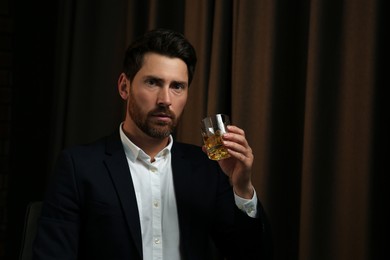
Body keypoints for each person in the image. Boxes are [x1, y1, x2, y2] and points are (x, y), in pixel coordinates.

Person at [33, 28, 272, 260]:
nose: (165, 100)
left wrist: (242, 188)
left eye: (177, 86)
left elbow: (251, 254)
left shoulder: (209, 166)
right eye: (153, 83)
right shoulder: (79, 167)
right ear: (124, 87)